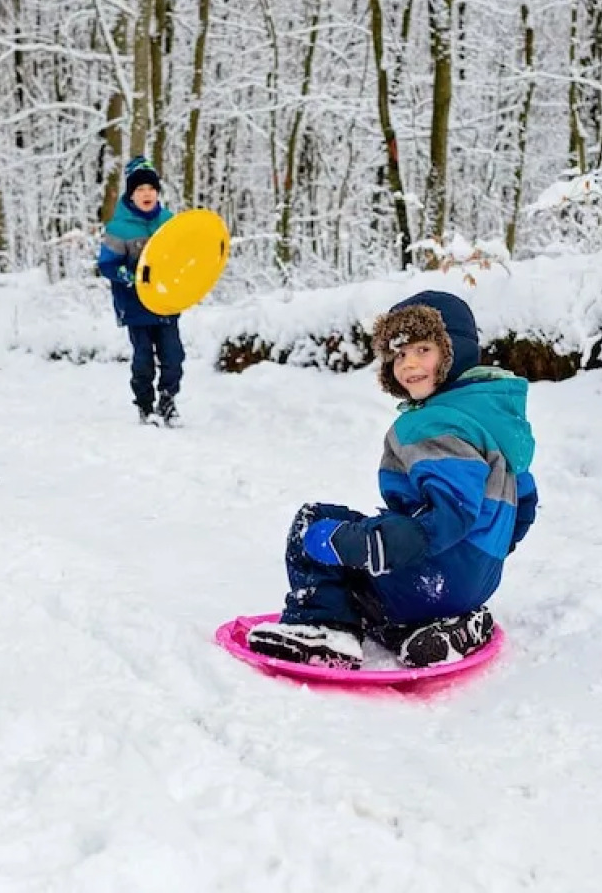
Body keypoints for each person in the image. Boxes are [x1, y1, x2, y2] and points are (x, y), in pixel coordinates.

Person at [246, 290, 539, 669]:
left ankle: (325, 629)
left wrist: (374, 545)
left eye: (422, 350)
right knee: (371, 561)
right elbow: (525, 505)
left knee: (316, 524)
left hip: (428, 574)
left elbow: (448, 513)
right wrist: (481, 557)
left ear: (455, 351)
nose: (408, 364)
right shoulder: (493, 420)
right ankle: (432, 628)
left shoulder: (433, 422)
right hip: (475, 580)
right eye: (399, 354)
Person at [97, 156, 184, 424]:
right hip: (134, 304)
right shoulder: (119, 228)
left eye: (151, 189)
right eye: (140, 190)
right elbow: (107, 265)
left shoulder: (171, 222)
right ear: (131, 195)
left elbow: (184, 258)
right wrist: (130, 276)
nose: (146, 194)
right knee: (144, 358)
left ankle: (168, 400)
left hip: (166, 302)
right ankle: (145, 406)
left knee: (174, 356)